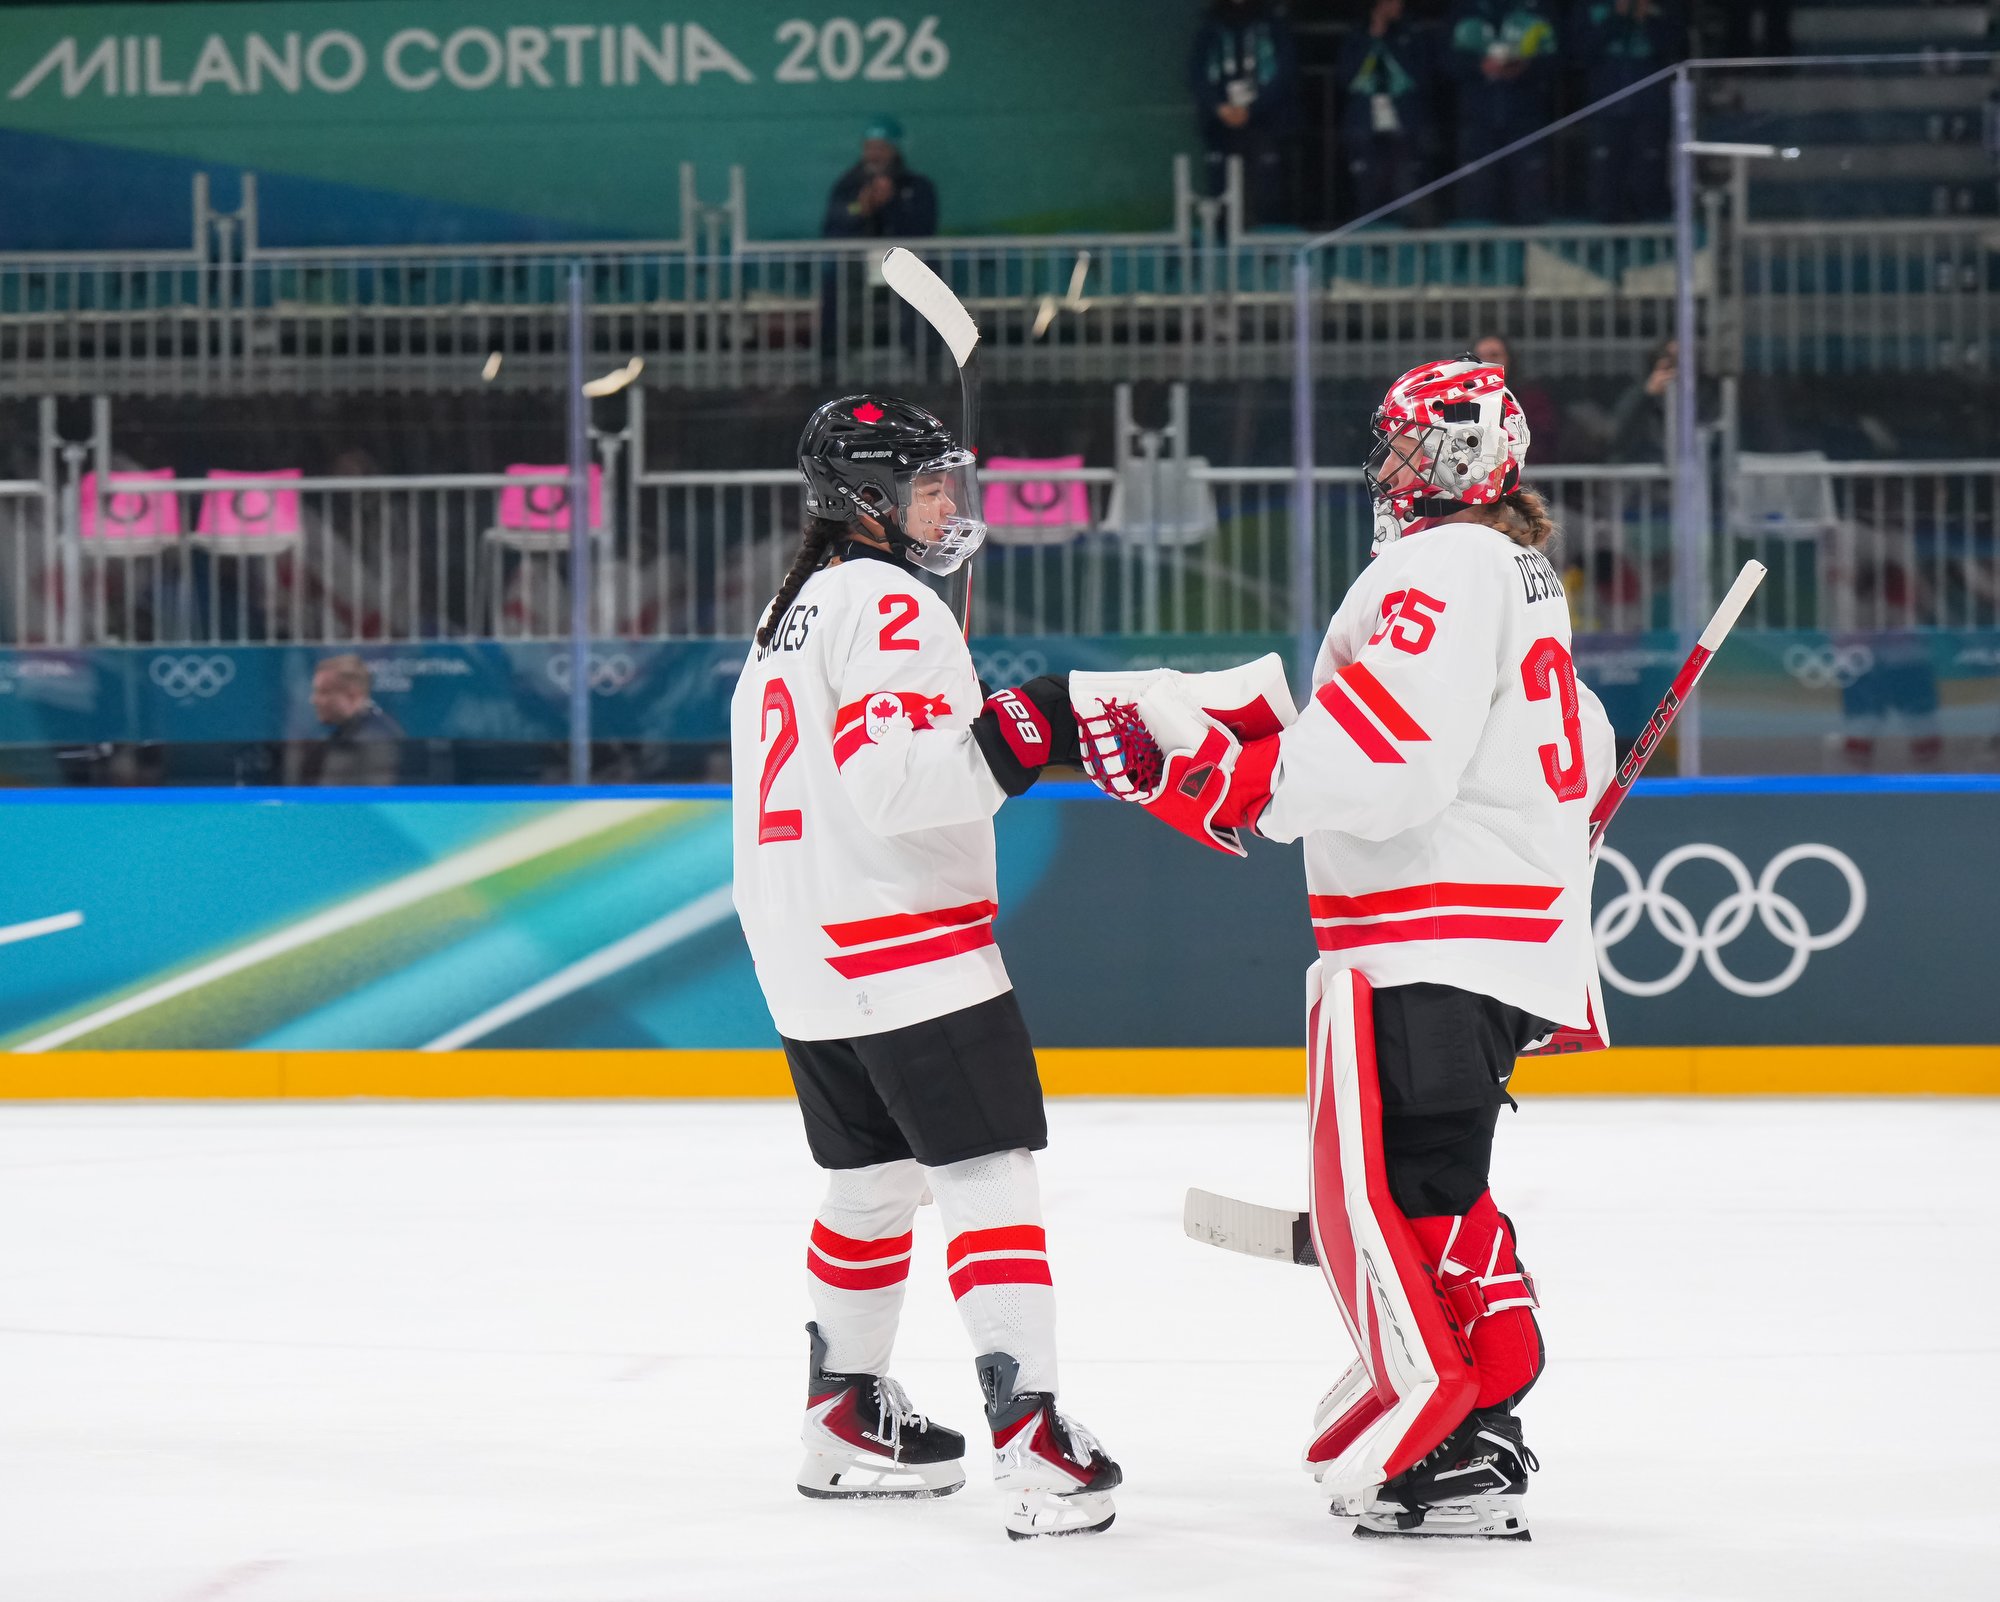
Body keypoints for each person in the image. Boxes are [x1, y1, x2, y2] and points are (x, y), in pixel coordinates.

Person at [1078, 355, 1613, 1539]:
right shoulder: (1512, 567)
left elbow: (1388, 752)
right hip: (1484, 932)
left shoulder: (1442, 563)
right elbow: (1570, 729)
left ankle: (1458, 1429)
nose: (1386, 466)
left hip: (1431, 931)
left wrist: (1233, 781)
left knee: (1406, 1187)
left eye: (1406, 444)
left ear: (1462, 455)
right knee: (1437, 1185)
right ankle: (1484, 1419)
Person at [729, 394, 1120, 1540]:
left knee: (871, 1180)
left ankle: (842, 1416)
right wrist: (1031, 722)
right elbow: (903, 785)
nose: (949, 504)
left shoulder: (790, 609)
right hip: (900, 940)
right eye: (929, 486)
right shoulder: (891, 602)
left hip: (801, 951)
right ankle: (1034, 1440)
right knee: (987, 1168)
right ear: (868, 499)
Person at [1445, 1, 1561, 223]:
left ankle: (1530, 243)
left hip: (1526, 120)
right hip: (1477, 121)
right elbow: (1445, 60)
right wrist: (1479, 66)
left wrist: (1526, 67)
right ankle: (1480, 244)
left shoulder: (1538, 10)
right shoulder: (1463, 10)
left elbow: (1559, 58)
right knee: (1478, 201)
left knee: (1529, 199)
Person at [1571, 0, 1685, 222]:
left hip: (1650, 107)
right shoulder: (1589, 6)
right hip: (1605, 105)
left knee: (1648, 177)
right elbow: (1579, 51)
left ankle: (1650, 232)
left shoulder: (1664, 5)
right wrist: (1616, 17)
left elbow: (1676, 49)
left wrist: (1647, 18)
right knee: (1604, 179)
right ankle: (1605, 233)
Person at [1189, 0, 1299, 227]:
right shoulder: (1211, 25)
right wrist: (1218, 107)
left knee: (1267, 186)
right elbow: (1196, 72)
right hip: (1221, 123)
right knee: (1221, 184)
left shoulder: (1272, 23)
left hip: (1265, 120)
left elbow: (1285, 71)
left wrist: (1253, 107)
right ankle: (1223, 237)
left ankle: (1267, 240)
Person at [1336, 0, 1438, 222]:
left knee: (1406, 184)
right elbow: (1345, 78)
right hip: (1365, 122)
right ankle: (1370, 236)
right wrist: (1373, 38)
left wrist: (1391, 40)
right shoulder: (1357, 34)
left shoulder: (1412, 32)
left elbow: (1423, 75)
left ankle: (1408, 235)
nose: (1399, 4)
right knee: (1368, 186)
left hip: (1405, 123)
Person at [821, 117, 938, 240]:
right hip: (859, 251)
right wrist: (861, 207)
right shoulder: (848, 184)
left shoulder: (917, 186)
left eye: (881, 148)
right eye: (869, 147)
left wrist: (891, 202)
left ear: (896, 150)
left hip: (901, 250)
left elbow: (923, 229)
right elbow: (836, 220)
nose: (874, 155)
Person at [302, 654, 402, 785]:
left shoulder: (373, 740)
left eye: (324, 692)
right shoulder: (348, 734)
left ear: (352, 695)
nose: (314, 700)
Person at [1473, 332, 1559, 461]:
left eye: (1494, 355)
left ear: (1509, 360)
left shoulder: (1532, 399)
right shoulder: (1457, 401)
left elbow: (1544, 443)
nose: (1485, 362)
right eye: (1479, 357)